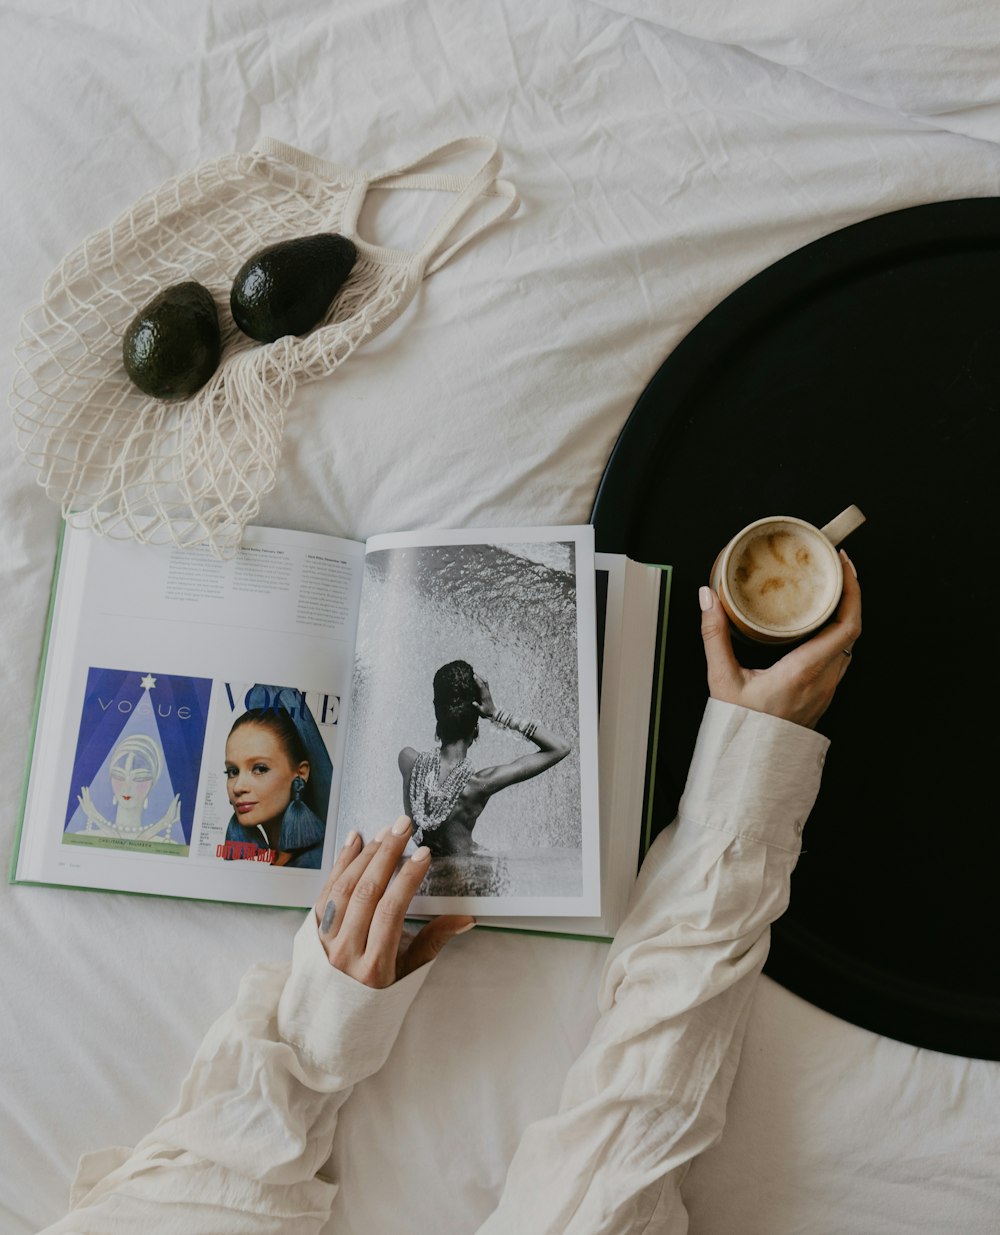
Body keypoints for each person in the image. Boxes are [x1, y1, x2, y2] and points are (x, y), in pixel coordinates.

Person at [36, 553, 861, 1235]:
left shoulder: (422, 763)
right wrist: (748, 780)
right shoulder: (423, 764)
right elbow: (617, 1156)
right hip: (458, 903)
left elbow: (208, 1187)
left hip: (450, 903)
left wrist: (322, 1036)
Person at [398, 660, 571, 856]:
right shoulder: (478, 785)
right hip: (468, 878)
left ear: (438, 718)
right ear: (476, 730)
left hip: (421, 874)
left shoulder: (407, 761)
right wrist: (496, 714)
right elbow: (560, 748)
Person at [222, 704, 328, 869]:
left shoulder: (314, 864)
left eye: (260, 769)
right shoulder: (265, 863)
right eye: (232, 771)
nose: (238, 787)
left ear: (301, 773)